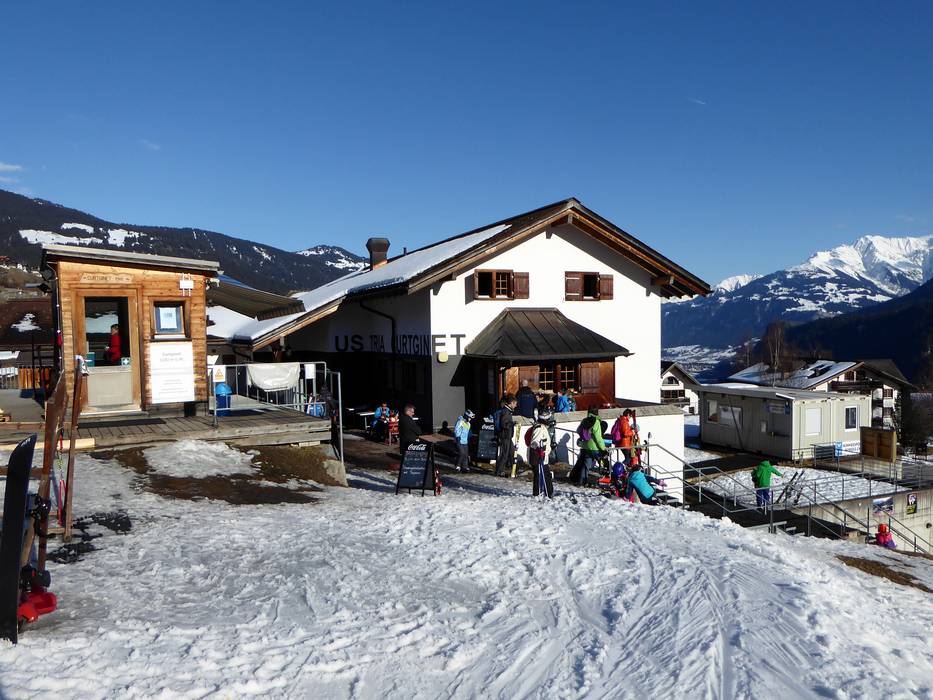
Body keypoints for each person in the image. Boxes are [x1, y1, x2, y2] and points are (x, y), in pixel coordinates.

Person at [571, 408, 604, 487]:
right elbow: (598, 438)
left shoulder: (584, 420)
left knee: (586, 465)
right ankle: (604, 478)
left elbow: (578, 430)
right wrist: (603, 448)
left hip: (585, 446)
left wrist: (584, 437)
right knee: (603, 461)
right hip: (594, 448)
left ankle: (582, 481)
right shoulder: (596, 422)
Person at [529, 411, 554, 498]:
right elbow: (534, 442)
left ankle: (547, 493)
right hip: (538, 456)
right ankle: (539, 493)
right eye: (548, 419)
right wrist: (539, 449)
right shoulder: (539, 428)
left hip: (542, 455)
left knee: (545, 475)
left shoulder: (543, 427)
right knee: (540, 475)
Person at [494, 395, 517, 477]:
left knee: (512, 452)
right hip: (505, 436)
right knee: (504, 453)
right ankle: (499, 471)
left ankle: (513, 469)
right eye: (515, 403)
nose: (516, 405)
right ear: (511, 403)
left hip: (508, 436)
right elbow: (504, 424)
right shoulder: (506, 412)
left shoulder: (508, 411)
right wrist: (512, 423)